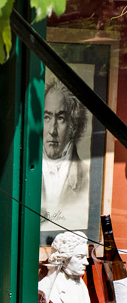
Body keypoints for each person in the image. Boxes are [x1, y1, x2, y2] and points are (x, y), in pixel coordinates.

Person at [41, 81, 90, 232]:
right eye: (47, 117)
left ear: (73, 126)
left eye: (61, 118)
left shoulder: (87, 175)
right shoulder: (26, 172)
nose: (52, 131)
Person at [38, 231, 91, 303]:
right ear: (64, 259)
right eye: (80, 257)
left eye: (85, 257)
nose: (86, 262)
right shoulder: (47, 285)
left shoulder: (82, 285)